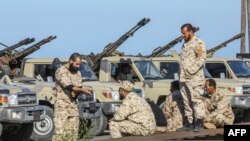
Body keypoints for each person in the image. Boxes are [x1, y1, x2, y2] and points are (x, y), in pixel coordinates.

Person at [52, 53, 92, 141]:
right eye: (76, 64)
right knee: (59, 135)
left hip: (73, 108)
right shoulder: (61, 71)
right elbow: (68, 86)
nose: (78, 66)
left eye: (79, 64)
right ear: (71, 61)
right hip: (62, 108)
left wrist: (78, 92)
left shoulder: (78, 73)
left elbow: (78, 87)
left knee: (73, 135)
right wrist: (79, 90)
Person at [177, 23, 207, 132]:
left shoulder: (198, 43)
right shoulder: (184, 45)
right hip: (183, 78)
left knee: (196, 100)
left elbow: (201, 58)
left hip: (194, 78)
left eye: (184, 33)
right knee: (186, 101)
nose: (182, 36)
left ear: (190, 32)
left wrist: (191, 71)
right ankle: (189, 123)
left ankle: (199, 123)